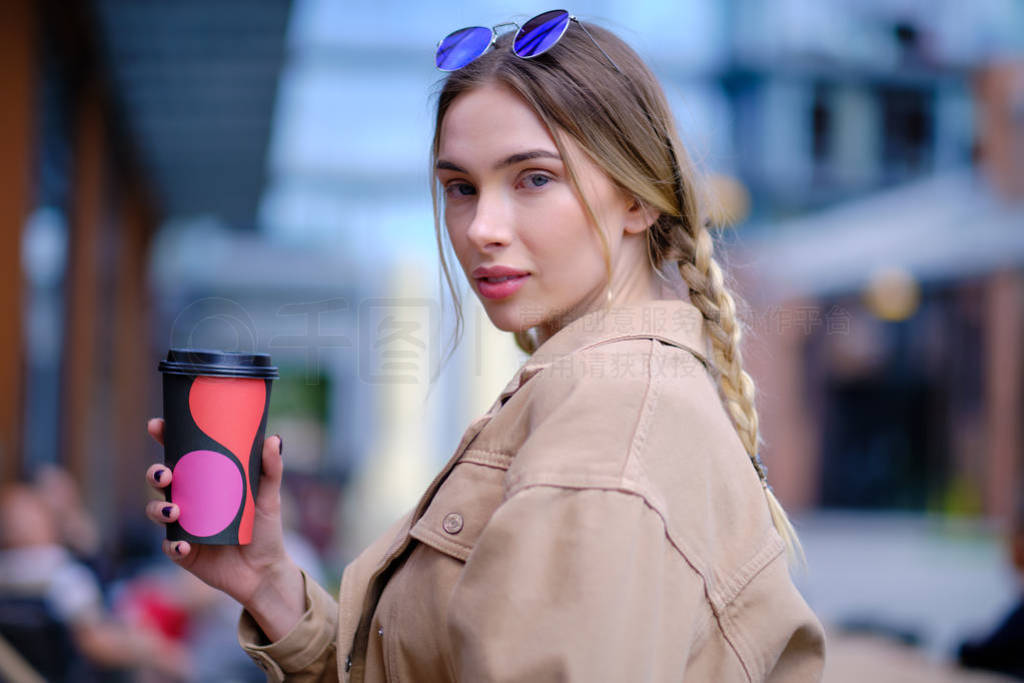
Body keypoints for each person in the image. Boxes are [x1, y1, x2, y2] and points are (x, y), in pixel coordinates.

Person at [145, 10, 826, 681]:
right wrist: (269, 585)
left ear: (638, 200)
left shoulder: (608, 424)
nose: (482, 228)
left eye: (534, 178)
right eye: (460, 188)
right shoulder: (590, 391)